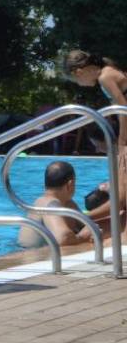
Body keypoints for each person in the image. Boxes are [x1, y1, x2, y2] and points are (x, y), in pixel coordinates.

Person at [64, 49, 127, 226]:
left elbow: (124, 109)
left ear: (79, 72)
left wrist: (123, 142)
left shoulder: (104, 77)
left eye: (76, 79)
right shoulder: (107, 72)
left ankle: (83, 221)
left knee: (122, 176)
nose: (79, 83)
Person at [18, 161, 97, 247]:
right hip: (36, 257)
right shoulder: (50, 204)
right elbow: (63, 238)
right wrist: (82, 237)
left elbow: (88, 225)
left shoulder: (61, 203)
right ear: (70, 184)